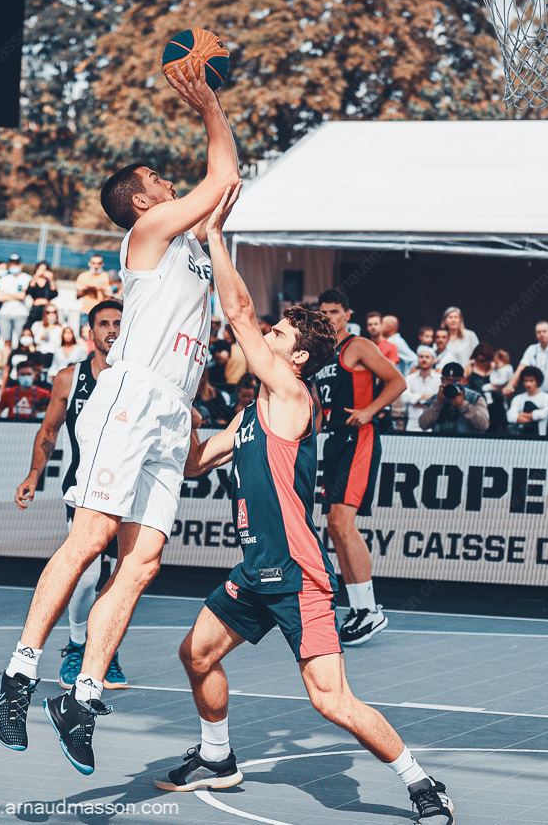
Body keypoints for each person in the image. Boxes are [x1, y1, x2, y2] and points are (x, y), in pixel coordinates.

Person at [157, 193, 456, 824]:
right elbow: (193, 464)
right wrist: (178, 407)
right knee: (196, 654)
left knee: (331, 700)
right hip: (254, 571)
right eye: (270, 331)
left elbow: (239, 312)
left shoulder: (292, 396)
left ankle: (421, 782)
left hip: (297, 574)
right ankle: (217, 756)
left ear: (296, 359)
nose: (265, 334)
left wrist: (214, 235)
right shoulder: (250, 413)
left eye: (278, 335)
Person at [0, 61, 241, 774]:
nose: (167, 180)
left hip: (173, 408)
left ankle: (84, 692)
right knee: (93, 536)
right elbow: (221, 174)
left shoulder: (191, 243)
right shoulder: (149, 234)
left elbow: (227, 186)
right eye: (157, 178)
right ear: (139, 200)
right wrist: (207, 102)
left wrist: (216, 125)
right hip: (131, 397)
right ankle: (17, 671)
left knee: (144, 560)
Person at [15, 300, 127, 689]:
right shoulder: (69, 378)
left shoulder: (138, 376)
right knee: (86, 573)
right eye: (104, 323)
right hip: (83, 489)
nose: (112, 329)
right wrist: (34, 474)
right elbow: (49, 431)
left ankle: (106, 651)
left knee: (121, 576)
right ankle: (78, 645)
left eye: (118, 322)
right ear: (90, 332)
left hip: (128, 490)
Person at [314, 287, 405, 646]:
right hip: (335, 440)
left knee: (341, 523)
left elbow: (398, 381)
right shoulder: (322, 354)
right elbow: (320, 409)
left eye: (334, 311)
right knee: (334, 527)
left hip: (359, 437)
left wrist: (369, 411)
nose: (328, 317)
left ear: (347, 315)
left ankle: (370, 609)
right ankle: (359, 608)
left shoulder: (359, 346)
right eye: (323, 312)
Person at [418, 362, 489, 435]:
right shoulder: (435, 399)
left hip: (466, 440)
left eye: (456, 380)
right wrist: (438, 403)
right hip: (441, 440)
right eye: (447, 380)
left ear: (463, 380)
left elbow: (484, 425)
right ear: (442, 380)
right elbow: (423, 425)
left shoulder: (474, 398)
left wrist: (463, 405)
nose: (451, 383)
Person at [505, 320, 548, 399]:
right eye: (539, 332)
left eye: (544, 331)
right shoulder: (531, 349)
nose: (541, 334)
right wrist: (510, 386)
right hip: (535, 395)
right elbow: (520, 369)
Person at [0, 254, 32, 372]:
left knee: (22, 342)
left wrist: (7, 295)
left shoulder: (27, 278)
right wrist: (15, 295)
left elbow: (22, 296)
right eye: (12, 263)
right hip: (5, 313)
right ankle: (5, 367)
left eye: (16, 263)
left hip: (21, 314)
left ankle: (21, 368)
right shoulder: (4, 279)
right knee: (6, 342)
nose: (14, 266)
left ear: (20, 264)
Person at [400, 347, 441, 434]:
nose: (424, 359)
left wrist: (415, 398)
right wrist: (427, 398)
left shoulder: (439, 379)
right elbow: (404, 397)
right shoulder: (410, 378)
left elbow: (439, 397)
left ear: (433, 360)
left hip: (433, 423)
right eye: (421, 357)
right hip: (412, 423)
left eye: (427, 357)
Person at [506, 366, 548, 437]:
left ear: (538, 382)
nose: (528, 384)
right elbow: (510, 417)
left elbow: (543, 414)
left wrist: (521, 414)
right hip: (520, 437)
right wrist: (533, 418)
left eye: (531, 381)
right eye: (526, 381)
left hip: (540, 437)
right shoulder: (517, 398)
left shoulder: (547, 397)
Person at [75, 255, 114, 328]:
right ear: (89, 264)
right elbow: (77, 296)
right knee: (85, 333)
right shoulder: (83, 276)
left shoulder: (106, 276)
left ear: (102, 264)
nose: (96, 266)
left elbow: (110, 297)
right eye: (94, 263)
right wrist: (87, 289)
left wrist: (101, 290)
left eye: (99, 263)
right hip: (86, 312)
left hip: (101, 313)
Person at [26, 261, 58, 330]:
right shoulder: (34, 281)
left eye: (44, 269)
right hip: (35, 308)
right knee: (31, 327)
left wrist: (51, 279)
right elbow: (29, 291)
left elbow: (54, 293)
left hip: (46, 309)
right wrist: (36, 277)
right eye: (40, 269)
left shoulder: (49, 282)